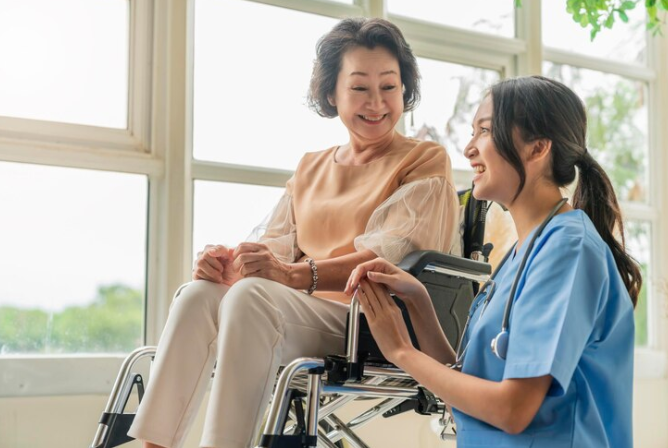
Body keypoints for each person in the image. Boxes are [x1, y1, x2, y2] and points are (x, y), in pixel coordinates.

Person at [128, 18, 460, 448]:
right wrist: (228, 263)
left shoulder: (423, 160)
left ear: (404, 91)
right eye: (359, 87)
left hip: (368, 321)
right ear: (331, 94)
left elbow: (385, 259)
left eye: (389, 87)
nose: (376, 102)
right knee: (197, 294)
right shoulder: (311, 166)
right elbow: (274, 249)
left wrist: (291, 276)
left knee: (251, 297)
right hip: (293, 311)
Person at [346, 75, 642, 447]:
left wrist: (401, 352)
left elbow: (512, 410)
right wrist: (419, 302)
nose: (469, 148)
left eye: (484, 131)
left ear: (537, 149)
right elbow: (467, 397)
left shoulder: (568, 249)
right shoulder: (521, 255)